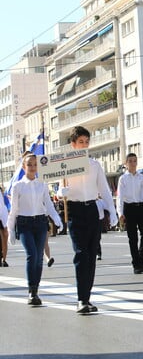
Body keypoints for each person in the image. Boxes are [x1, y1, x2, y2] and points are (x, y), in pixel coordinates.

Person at [57, 126, 118, 314]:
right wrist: (61, 193)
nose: (84, 145)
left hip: (92, 209)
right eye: (80, 142)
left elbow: (104, 190)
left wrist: (112, 211)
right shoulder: (65, 165)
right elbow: (59, 189)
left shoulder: (94, 165)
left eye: (86, 142)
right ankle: (81, 299)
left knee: (91, 256)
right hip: (75, 210)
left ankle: (87, 297)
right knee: (81, 254)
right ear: (73, 144)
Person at [6, 153, 63, 306]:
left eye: (35, 164)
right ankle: (31, 291)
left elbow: (48, 205)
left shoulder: (42, 184)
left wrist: (57, 219)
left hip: (40, 222)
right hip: (24, 224)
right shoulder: (18, 186)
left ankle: (35, 290)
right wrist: (10, 229)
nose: (32, 167)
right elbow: (14, 209)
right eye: (29, 164)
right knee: (32, 255)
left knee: (39, 258)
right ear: (24, 167)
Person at [0, 191, 8, 267]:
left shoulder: (2, 193)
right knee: (3, 239)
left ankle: (4, 260)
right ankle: (3, 260)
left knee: (4, 239)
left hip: (3, 218)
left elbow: (4, 207)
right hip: (2, 218)